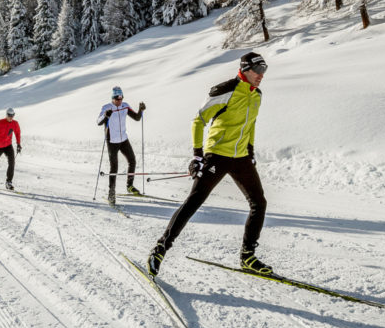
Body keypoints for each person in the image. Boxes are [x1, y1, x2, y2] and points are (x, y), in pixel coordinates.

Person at [147, 52, 271, 277]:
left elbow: (251, 124)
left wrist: (250, 151)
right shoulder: (225, 90)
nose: (262, 75)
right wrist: (197, 155)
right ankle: (160, 249)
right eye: (258, 70)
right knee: (195, 201)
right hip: (217, 155)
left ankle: (247, 257)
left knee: (259, 203)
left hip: (241, 157)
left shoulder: (256, 95)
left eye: (265, 70)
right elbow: (199, 120)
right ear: (245, 69)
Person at [97, 86, 146, 204]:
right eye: (117, 99)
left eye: (121, 98)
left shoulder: (125, 106)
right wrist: (106, 115)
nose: (120, 101)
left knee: (132, 160)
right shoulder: (106, 107)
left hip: (123, 139)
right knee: (114, 167)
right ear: (113, 98)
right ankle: (111, 193)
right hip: (112, 141)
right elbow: (98, 122)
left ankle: (129, 186)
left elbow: (137, 118)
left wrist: (141, 110)